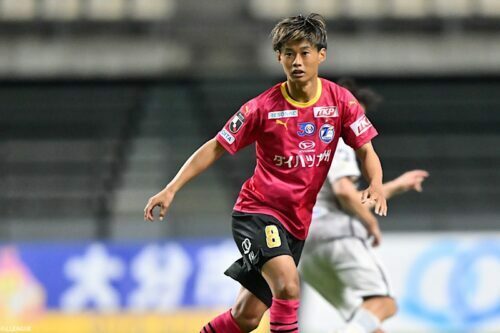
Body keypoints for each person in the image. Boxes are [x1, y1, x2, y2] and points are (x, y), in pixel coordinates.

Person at [143, 14, 387, 333]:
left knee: (246, 315)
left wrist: (377, 184)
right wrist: (171, 188)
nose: (296, 61)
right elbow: (216, 146)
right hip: (258, 213)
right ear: (279, 57)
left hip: (296, 225)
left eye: (304, 52)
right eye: (288, 53)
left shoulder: (340, 102)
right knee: (287, 284)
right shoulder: (262, 107)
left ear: (321, 54)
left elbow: (366, 149)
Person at [300, 79, 429, 333]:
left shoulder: (302, 144)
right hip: (336, 235)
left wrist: (393, 187)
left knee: (366, 322)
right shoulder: (336, 138)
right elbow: (344, 193)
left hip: (303, 247)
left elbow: (341, 199)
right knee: (384, 303)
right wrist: (371, 223)